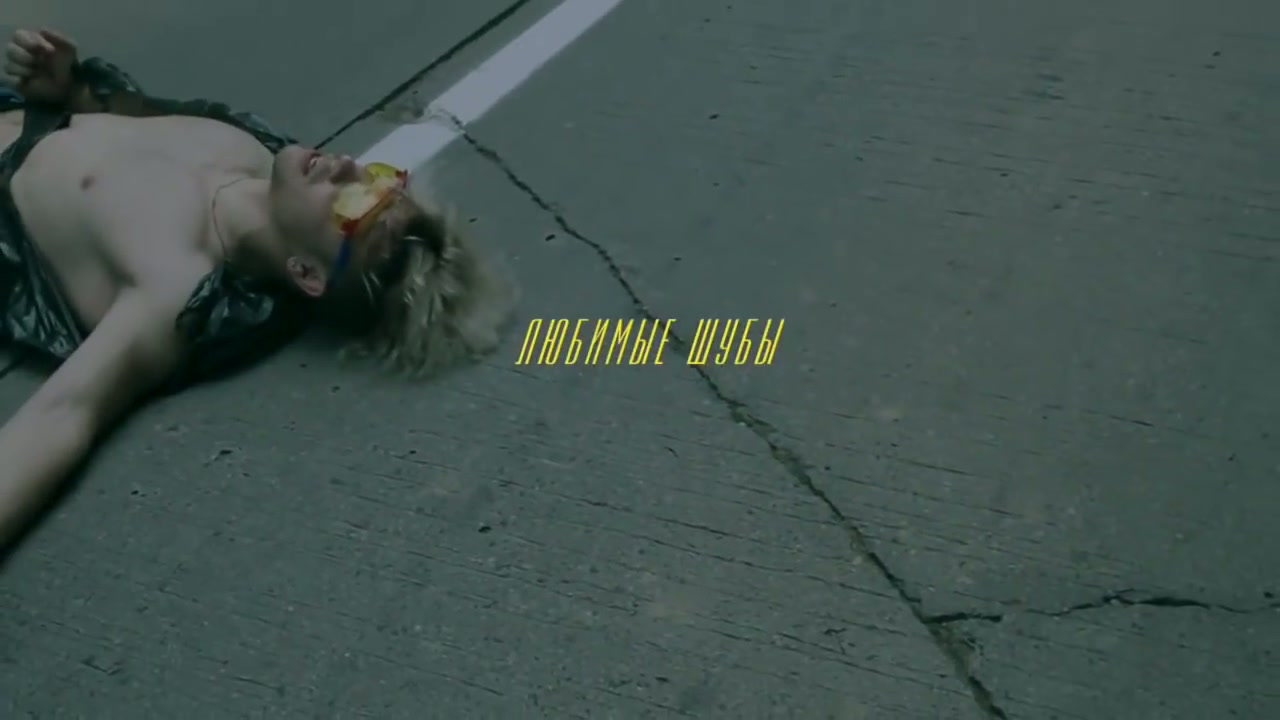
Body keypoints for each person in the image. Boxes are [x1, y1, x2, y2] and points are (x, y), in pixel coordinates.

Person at [0, 28, 516, 551]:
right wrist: (69, 90)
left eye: (355, 206)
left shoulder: (174, 283)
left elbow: (62, 418)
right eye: (377, 179)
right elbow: (122, 124)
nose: (346, 166)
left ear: (307, 273)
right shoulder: (251, 150)